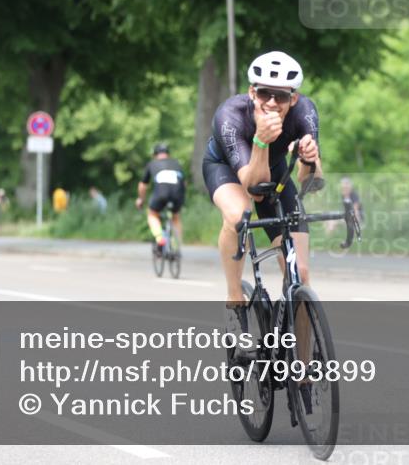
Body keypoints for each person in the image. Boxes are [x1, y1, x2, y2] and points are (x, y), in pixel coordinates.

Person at [202, 51, 321, 323]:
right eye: (264, 93)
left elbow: (310, 182)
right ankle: (235, 297)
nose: (271, 103)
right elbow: (254, 188)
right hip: (227, 168)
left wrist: (309, 160)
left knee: (300, 275)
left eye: (280, 96)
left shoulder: (305, 113)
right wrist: (261, 141)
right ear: (252, 93)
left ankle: (300, 363)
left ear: (293, 98)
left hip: (275, 169)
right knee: (238, 216)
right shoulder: (230, 115)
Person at [136, 144, 185, 248]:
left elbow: (142, 186)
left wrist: (141, 199)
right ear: (168, 154)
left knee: (152, 214)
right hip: (177, 193)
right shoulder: (176, 163)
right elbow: (184, 183)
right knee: (176, 217)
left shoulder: (152, 164)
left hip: (161, 194)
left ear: (155, 155)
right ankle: (176, 245)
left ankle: (160, 238)